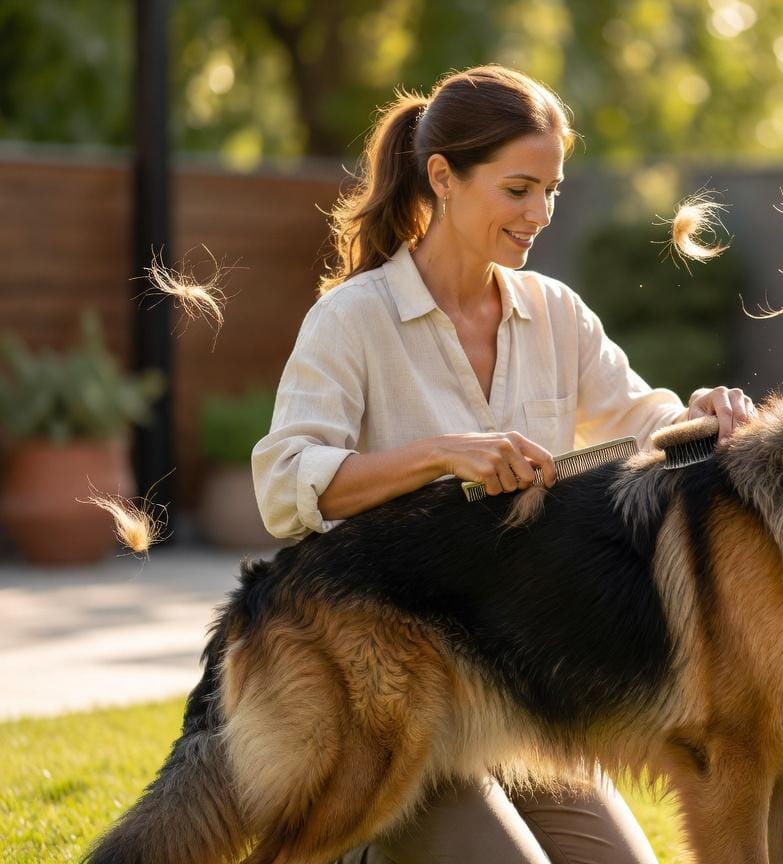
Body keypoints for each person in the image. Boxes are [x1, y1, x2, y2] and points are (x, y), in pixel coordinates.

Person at [251, 65, 754, 864]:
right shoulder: (352, 320)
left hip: (530, 686)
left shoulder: (554, 312)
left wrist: (707, 415)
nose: (540, 214)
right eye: (519, 189)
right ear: (443, 177)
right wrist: (440, 455)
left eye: (550, 190)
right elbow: (284, 484)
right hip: (401, 688)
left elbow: (641, 419)